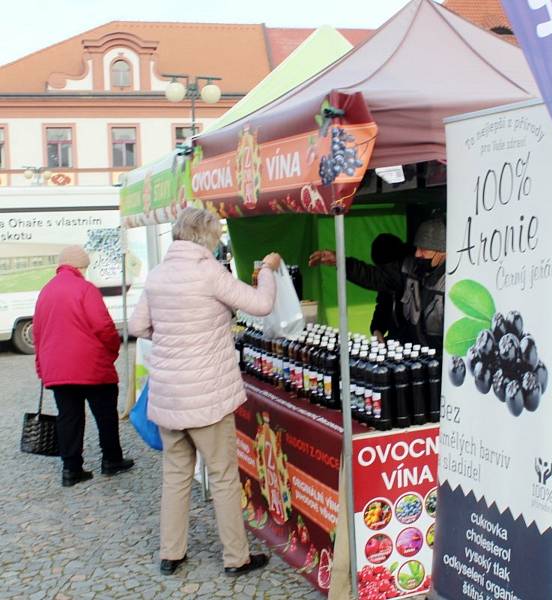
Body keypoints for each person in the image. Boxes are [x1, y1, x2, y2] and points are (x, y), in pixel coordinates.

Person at [129, 208, 280, 577]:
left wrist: (169, 341)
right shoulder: (208, 270)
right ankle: (236, 557)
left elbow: (137, 325)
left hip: (168, 396)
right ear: (206, 237)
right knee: (224, 476)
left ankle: (171, 554)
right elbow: (261, 304)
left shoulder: (159, 274)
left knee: (176, 475)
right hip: (207, 397)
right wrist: (268, 272)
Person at [33, 245, 134, 487]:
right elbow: (103, 327)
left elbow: (38, 334)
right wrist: (112, 350)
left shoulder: (45, 292)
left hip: (58, 369)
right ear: (80, 267)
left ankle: (71, 469)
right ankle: (111, 460)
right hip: (91, 366)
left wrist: (41, 367)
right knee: (105, 414)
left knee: (68, 417)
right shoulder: (85, 289)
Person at [310, 218, 446, 351]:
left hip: (440, 360)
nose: (417, 254)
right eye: (417, 248)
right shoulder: (410, 269)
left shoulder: (453, 280)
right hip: (409, 352)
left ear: (442, 251)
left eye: (424, 250)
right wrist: (340, 261)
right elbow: (373, 278)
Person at [368, 233, 415, 344]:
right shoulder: (388, 278)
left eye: (386, 268)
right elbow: (383, 306)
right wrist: (377, 329)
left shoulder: (414, 278)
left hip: (413, 345)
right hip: (395, 340)